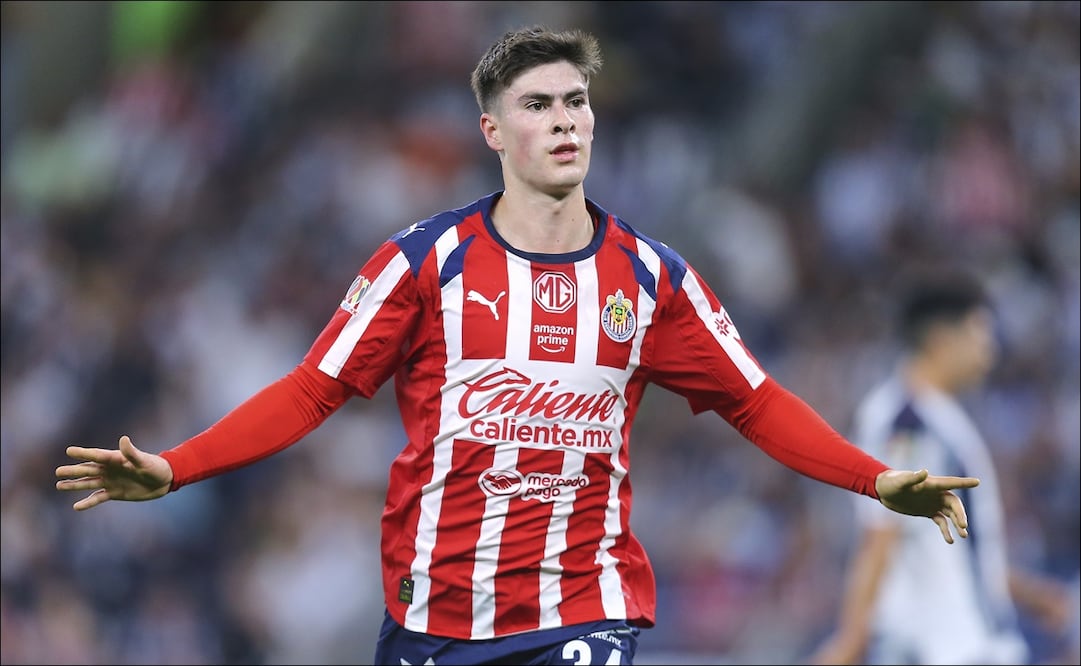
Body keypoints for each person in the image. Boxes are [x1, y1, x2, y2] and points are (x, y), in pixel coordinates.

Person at [56, 26, 981, 666]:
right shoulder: (423, 264)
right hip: (438, 612)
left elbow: (754, 399)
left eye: (577, 100)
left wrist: (874, 478)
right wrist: (174, 469)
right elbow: (311, 392)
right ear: (495, 131)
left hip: (585, 603)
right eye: (539, 104)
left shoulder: (651, 279)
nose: (567, 119)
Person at [810, 268, 1072, 665]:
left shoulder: (942, 417)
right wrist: (850, 642)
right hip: (945, 647)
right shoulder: (907, 422)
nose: (991, 347)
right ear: (941, 339)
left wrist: (1032, 595)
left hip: (973, 643)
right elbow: (881, 536)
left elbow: (956, 552)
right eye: (980, 331)